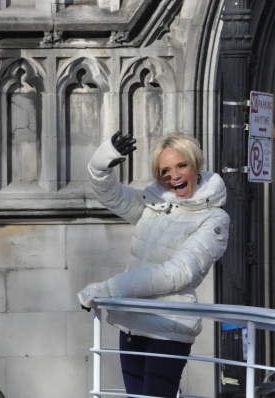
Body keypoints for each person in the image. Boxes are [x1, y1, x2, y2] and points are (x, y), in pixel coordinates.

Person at [78, 131, 230, 398]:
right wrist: (102, 163)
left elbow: (178, 273)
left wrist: (110, 289)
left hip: (168, 329)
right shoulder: (155, 203)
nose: (174, 176)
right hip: (132, 323)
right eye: (165, 171)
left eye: (182, 165)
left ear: (196, 165)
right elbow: (112, 195)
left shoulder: (214, 218)